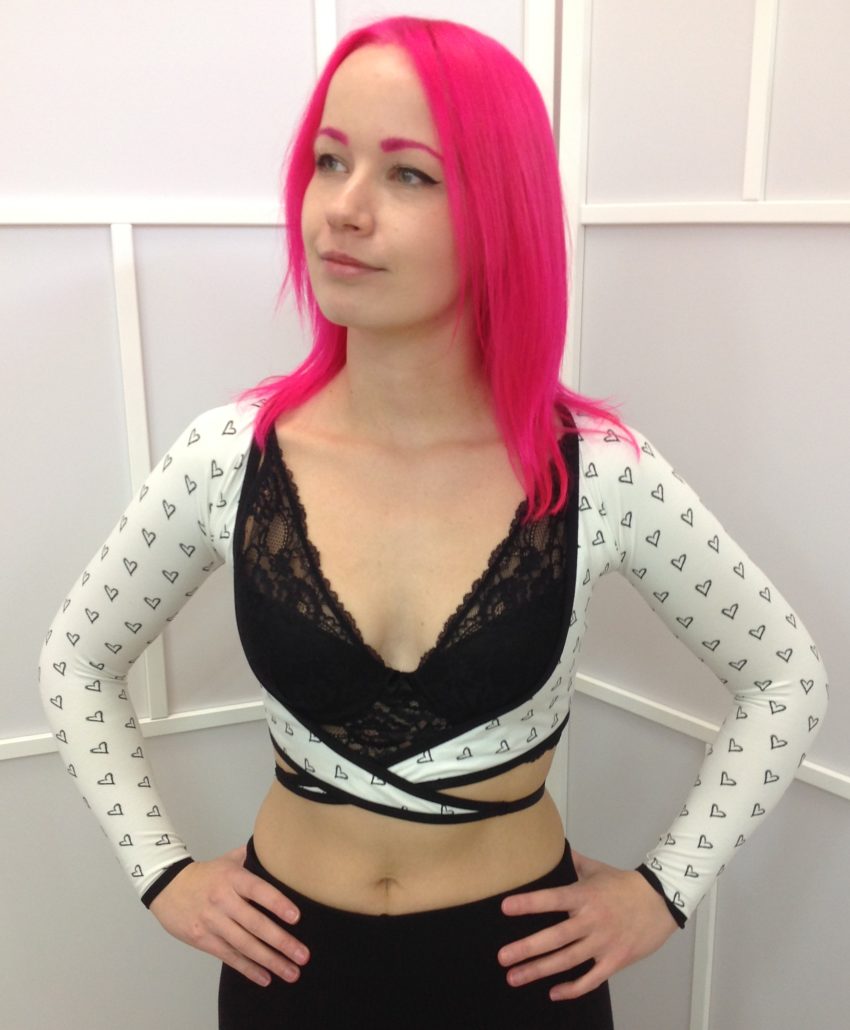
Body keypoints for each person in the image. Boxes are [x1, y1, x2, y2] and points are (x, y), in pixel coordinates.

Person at [38, 15, 828, 1030]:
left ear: (501, 211)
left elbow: (785, 677)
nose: (344, 208)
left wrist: (662, 891)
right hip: (291, 975)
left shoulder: (601, 473)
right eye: (330, 161)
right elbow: (76, 659)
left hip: (516, 980)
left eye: (409, 174)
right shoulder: (227, 457)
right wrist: (161, 873)